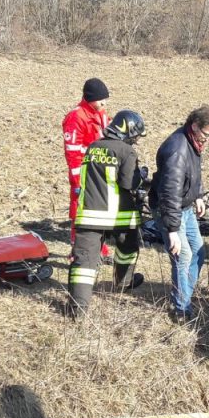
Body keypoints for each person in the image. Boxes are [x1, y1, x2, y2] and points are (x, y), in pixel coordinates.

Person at [66, 110, 147, 315]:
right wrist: (141, 175)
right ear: (128, 131)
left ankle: (77, 308)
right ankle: (123, 282)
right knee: (127, 249)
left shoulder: (93, 147)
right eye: (136, 136)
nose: (136, 140)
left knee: (84, 261)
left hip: (88, 214)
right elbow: (128, 183)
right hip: (119, 215)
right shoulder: (126, 151)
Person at [154, 106, 209, 320]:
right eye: (206, 135)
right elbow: (169, 193)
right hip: (170, 210)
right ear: (194, 126)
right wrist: (172, 230)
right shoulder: (177, 150)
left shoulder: (194, 142)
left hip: (185, 207)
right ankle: (181, 309)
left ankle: (184, 294)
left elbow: (194, 173)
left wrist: (198, 195)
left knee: (198, 252)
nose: (208, 140)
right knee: (182, 256)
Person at [63, 78, 110, 258]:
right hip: (84, 172)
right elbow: (72, 152)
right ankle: (77, 252)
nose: (104, 103)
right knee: (80, 212)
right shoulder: (76, 117)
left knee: (99, 209)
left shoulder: (100, 113)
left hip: (99, 170)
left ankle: (100, 248)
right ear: (90, 98)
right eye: (100, 100)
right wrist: (77, 181)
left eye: (105, 99)